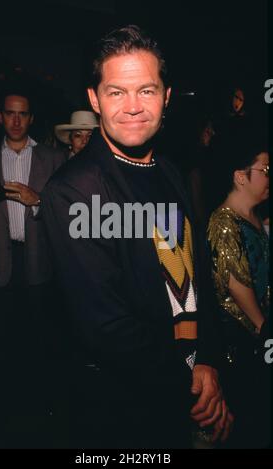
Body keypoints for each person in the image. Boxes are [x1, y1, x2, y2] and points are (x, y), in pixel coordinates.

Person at [41, 25, 233, 448]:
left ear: (166, 97)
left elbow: (197, 271)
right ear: (94, 100)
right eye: (116, 92)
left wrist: (212, 362)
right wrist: (192, 378)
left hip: (189, 382)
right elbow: (106, 327)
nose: (132, 107)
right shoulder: (77, 189)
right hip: (124, 408)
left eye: (146, 91)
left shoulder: (167, 171)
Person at [0, 87, 65, 447]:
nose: (15, 120)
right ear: (0, 117)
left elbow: (66, 216)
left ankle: (42, 415)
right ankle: (1, 416)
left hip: (39, 264)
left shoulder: (54, 159)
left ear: (31, 118)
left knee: (39, 345)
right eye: (9, 113)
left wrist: (37, 200)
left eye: (22, 114)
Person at [207, 126, 270, 448]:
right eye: (264, 170)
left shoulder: (255, 218)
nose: (269, 176)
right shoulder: (224, 223)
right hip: (244, 343)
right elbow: (237, 286)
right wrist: (264, 329)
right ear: (240, 176)